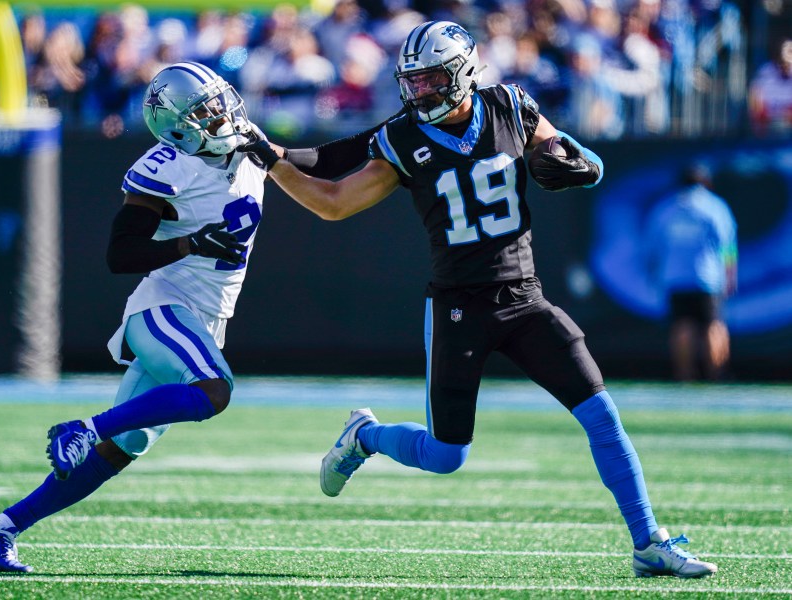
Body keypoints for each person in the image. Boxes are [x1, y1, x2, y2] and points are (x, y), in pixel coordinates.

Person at [242, 20, 718, 579]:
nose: (420, 93)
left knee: (602, 414)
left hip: (526, 297)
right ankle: (364, 436)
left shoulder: (510, 106)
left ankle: (648, 542)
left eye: (431, 80)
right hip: (459, 306)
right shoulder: (403, 138)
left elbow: (577, 157)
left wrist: (580, 162)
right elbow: (334, 201)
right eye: (412, 82)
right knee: (446, 456)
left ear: (464, 71)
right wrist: (272, 160)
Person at [0, 62, 263, 573]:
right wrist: (190, 243)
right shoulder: (167, 166)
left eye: (219, 101)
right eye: (205, 111)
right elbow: (120, 255)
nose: (222, 114)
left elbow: (305, 165)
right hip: (166, 308)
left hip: (204, 319)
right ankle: (81, 425)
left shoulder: (249, 141)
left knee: (117, 451)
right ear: (178, 128)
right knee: (214, 390)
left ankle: (1, 528)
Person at [645, 163, 737, 381]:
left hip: (674, 277)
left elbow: (653, 246)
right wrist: (730, 276)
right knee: (713, 326)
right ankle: (716, 374)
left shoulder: (665, 208)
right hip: (707, 277)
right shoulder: (715, 207)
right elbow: (728, 246)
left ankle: (685, 376)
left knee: (682, 327)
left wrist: (656, 273)